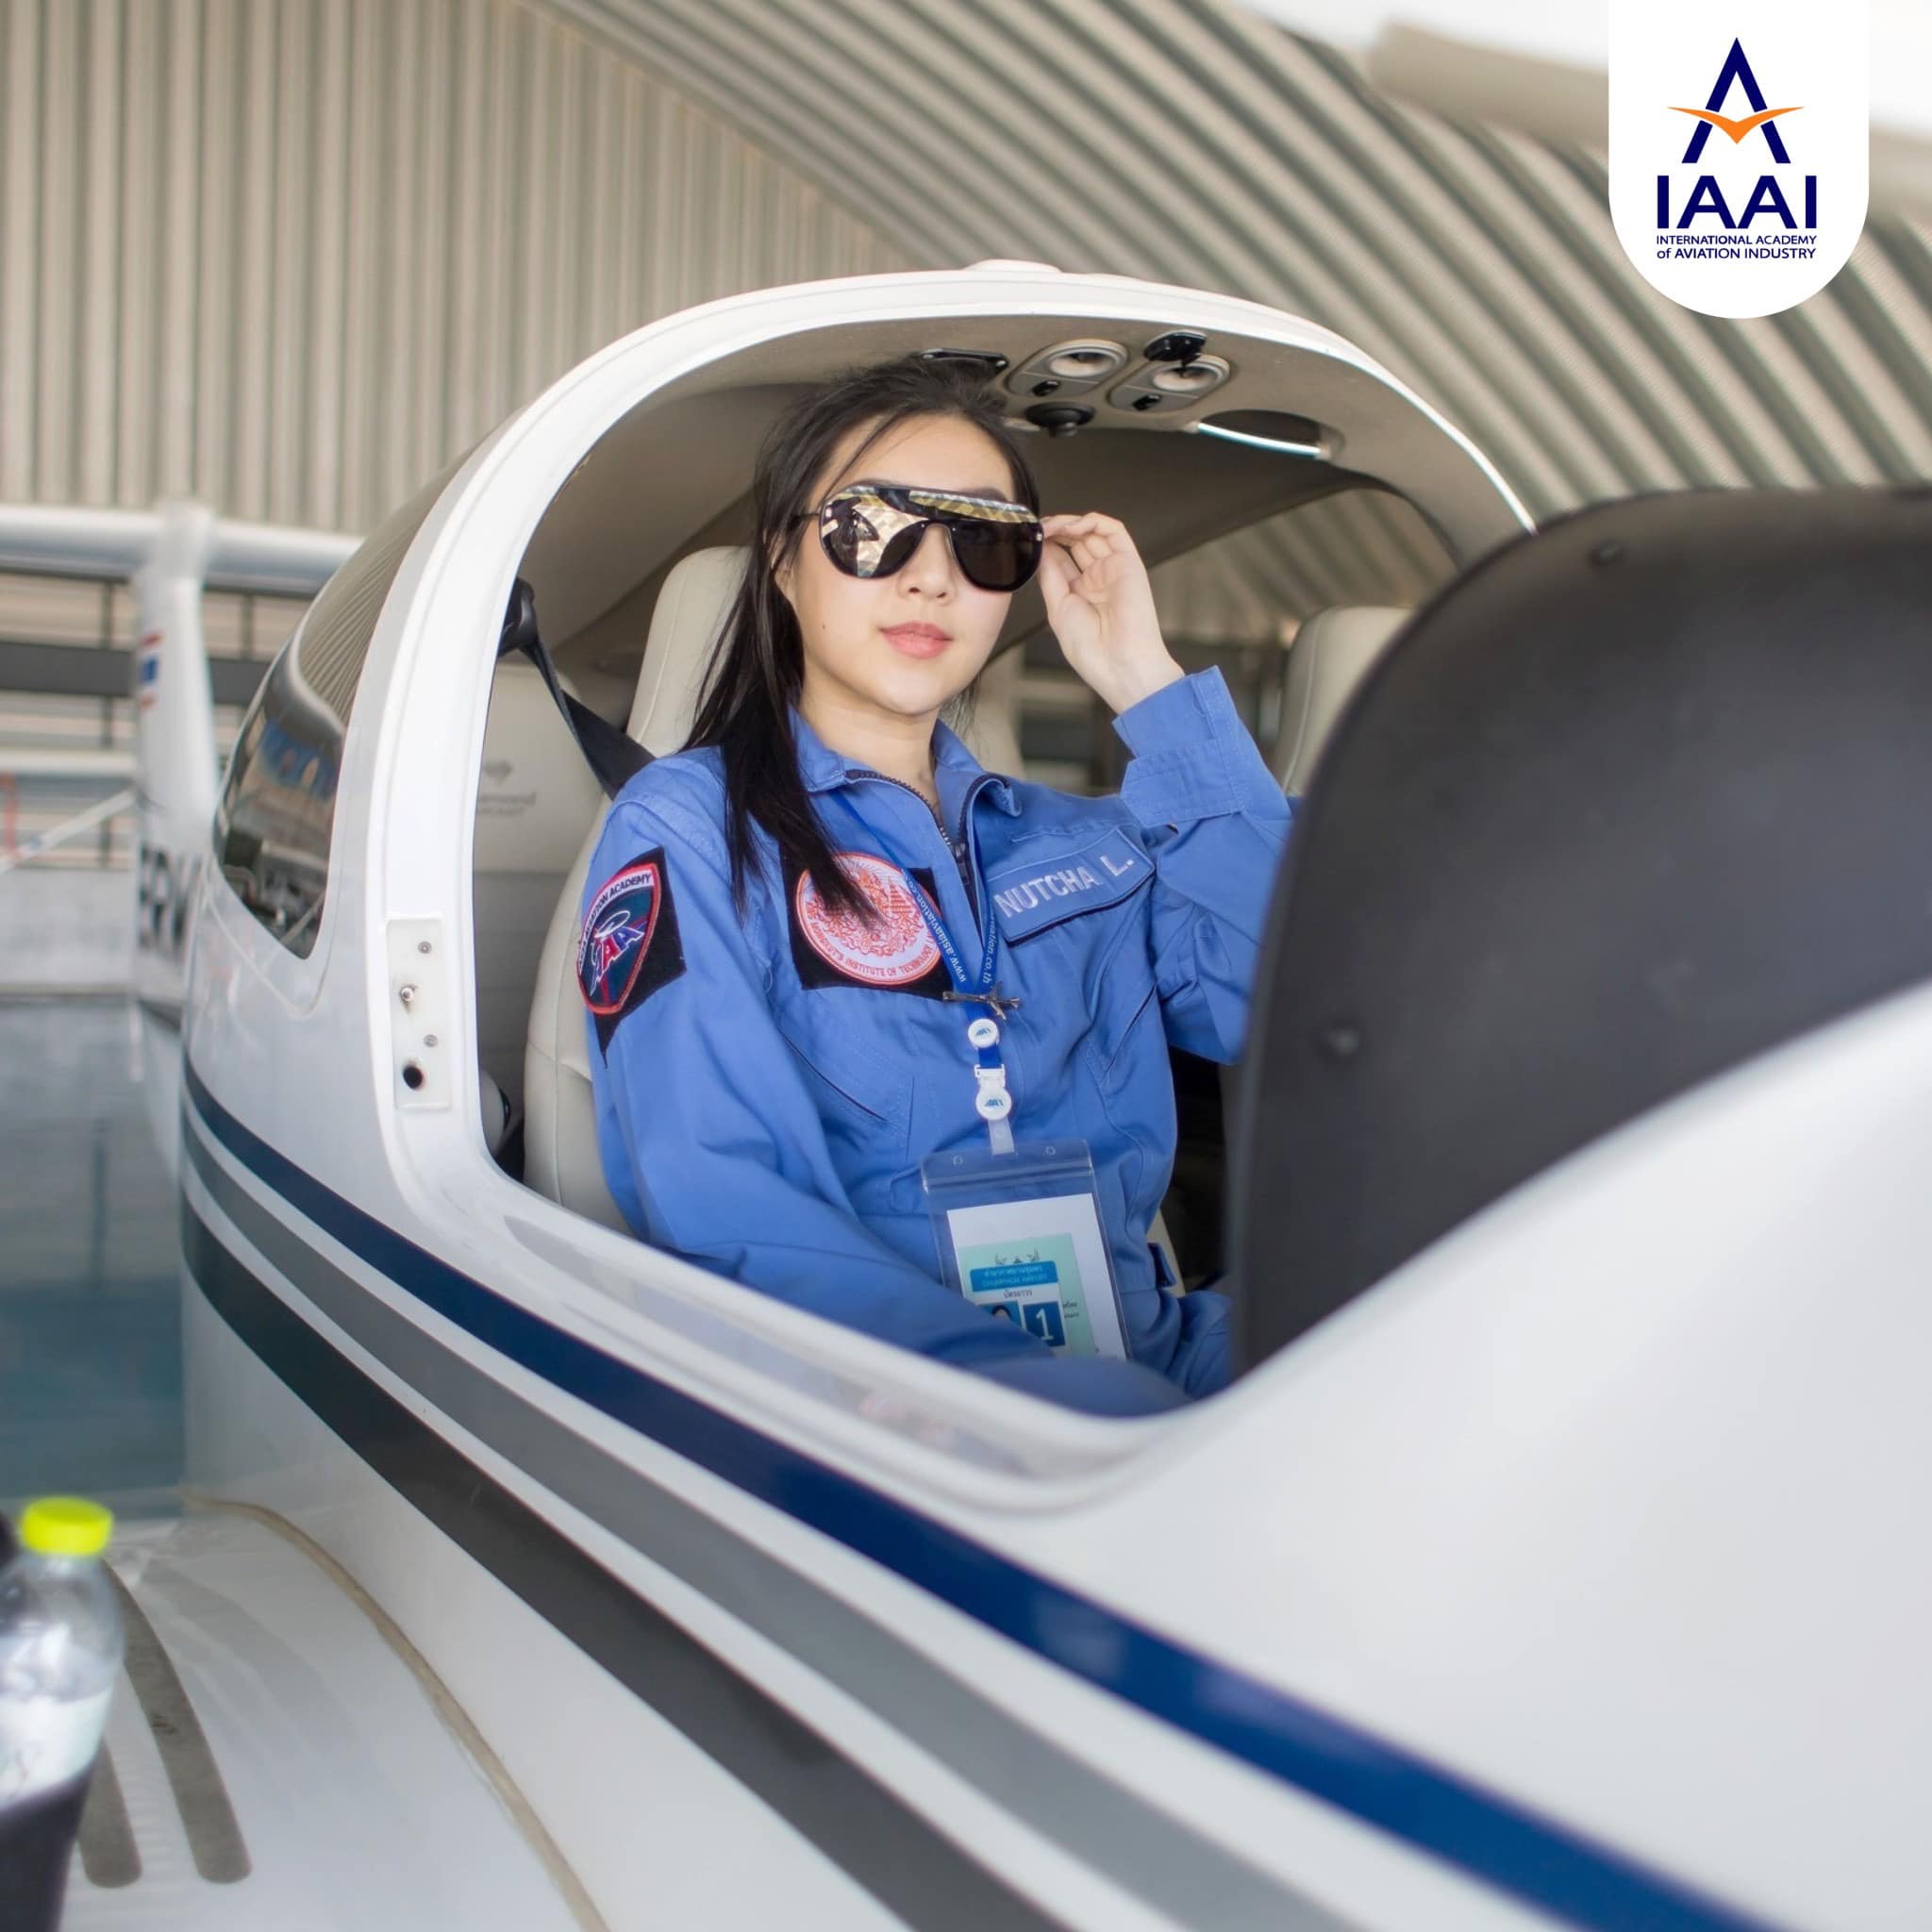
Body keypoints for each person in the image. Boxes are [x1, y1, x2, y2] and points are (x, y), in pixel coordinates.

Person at [577, 355, 1294, 1415]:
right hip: (895, 1407)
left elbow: (1290, 989)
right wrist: (1036, 1402)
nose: (932, 578)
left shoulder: (1087, 844)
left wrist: (1142, 678)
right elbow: (724, 1198)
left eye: (982, 540)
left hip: (1147, 1361)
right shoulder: (689, 830)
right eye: (872, 528)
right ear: (783, 562)